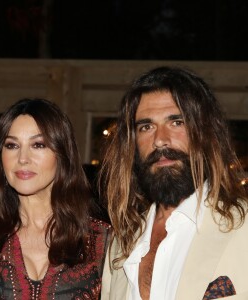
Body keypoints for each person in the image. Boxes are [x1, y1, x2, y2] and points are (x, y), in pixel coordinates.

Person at [100, 66, 248, 300]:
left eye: (177, 122)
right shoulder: (120, 244)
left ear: (205, 132)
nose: (160, 140)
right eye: (146, 127)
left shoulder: (243, 228)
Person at [0, 98, 111, 299]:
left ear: (62, 153)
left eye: (38, 144)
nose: (23, 158)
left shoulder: (101, 241)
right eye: (11, 145)